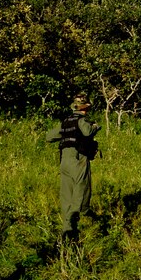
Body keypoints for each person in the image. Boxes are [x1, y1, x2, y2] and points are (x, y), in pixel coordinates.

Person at [46, 94, 100, 241]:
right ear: (86, 108)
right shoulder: (82, 121)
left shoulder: (65, 122)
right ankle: (78, 216)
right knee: (82, 189)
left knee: (66, 194)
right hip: (78, 159)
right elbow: (87, 132)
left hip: (64, 160)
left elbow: (49, 137)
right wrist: (95, 126)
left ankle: (67, 229)